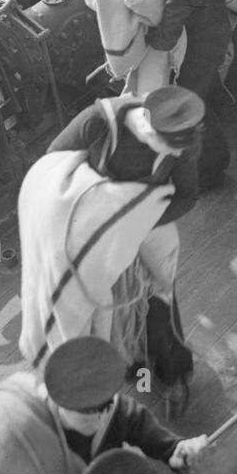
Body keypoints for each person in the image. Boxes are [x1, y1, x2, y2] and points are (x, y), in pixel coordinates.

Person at [46, 87, 204, 396]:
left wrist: (138, 222)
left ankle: (170, 369)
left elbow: (187, 196)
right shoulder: (97, 122)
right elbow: (52, 167)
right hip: (91, 233)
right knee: (98, 312)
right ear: (148, 126)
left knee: (158, 295)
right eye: (169, 149)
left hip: (141, 227)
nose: (174, 157)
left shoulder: (179, 144)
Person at [0, 336, 207, 474]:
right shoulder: (10, 426)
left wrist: (178, 450)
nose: (103, 415)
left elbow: (152, 435)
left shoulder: (115, 412)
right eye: (92, 411)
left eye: (107, 403)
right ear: (58, 401)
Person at [140, 0, 232, 189]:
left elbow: (167, 37)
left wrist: (144, 37)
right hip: (219, 30)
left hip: (200, 49)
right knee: (209, 87)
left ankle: (210, 172)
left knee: (193, 106)